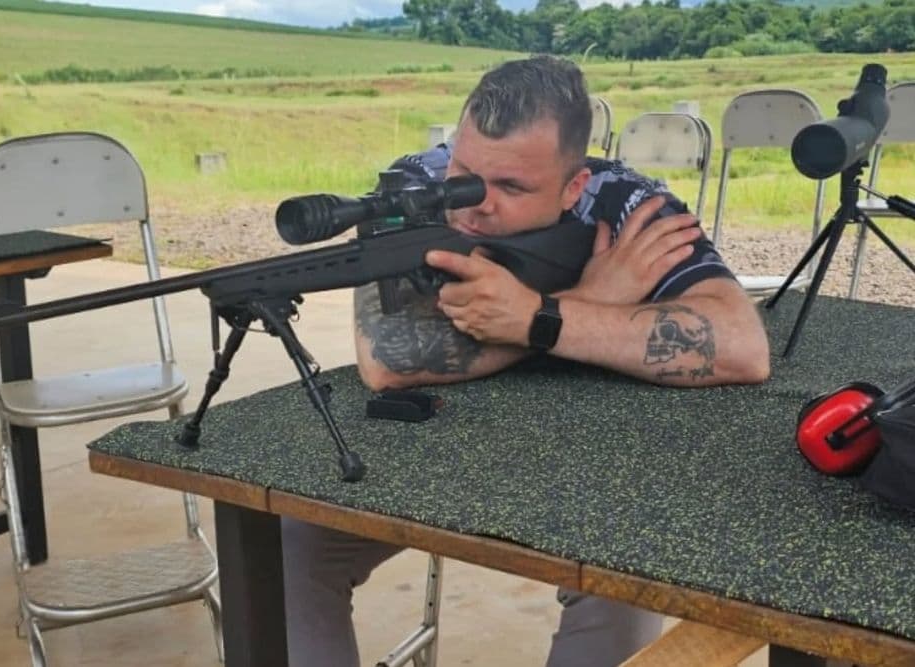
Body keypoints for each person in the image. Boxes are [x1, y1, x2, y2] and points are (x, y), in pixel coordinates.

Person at [282, 55, 770, 667]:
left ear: (574, 185)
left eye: (511, 187)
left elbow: (741, 346)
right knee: (286, 544)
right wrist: (577, 306)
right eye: (464, 169)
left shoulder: (626, 205)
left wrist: (538, 316)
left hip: (595, 469)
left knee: (624, 574)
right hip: (431, 451)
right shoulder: (413, 188)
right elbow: (388, 360)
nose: (472, 203)